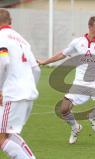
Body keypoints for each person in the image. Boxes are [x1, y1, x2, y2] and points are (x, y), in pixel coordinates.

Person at [38, 16, 95, 144]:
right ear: (90, 27)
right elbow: (62, 54)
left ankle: (92, 116)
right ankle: (75, 127)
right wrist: (44, 61)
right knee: (64, 109)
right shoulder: (77, 42)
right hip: (79, 83)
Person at [0, 9, 40, 159]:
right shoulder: (22, 40)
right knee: (10, 134)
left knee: (2, 138)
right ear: (10, 21)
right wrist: (29, 88)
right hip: (27, 93)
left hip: (12, 93)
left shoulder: (1, 37)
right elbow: (36, 69)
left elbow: (4, 62)